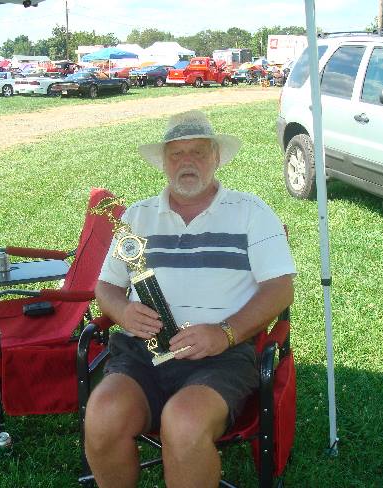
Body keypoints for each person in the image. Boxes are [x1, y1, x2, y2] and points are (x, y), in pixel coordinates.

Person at [85, 110, 296, 488]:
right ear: (164, 162)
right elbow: (106, 287)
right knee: (102, 417)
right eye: (177, 154)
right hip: (143, 352)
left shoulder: (251, 212)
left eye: (198, 152)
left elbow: (280, 288)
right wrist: (123, 311)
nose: (187, 162)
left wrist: (226, 332)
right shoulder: (137, 216)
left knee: (183, 423)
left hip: (222, 357)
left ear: (216, 157)